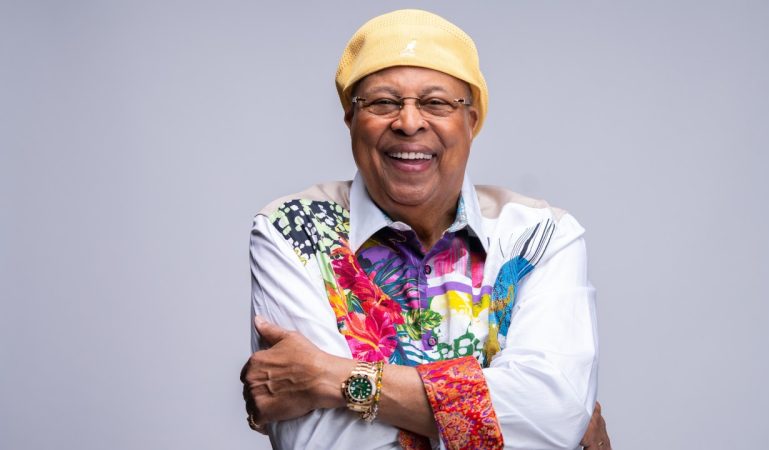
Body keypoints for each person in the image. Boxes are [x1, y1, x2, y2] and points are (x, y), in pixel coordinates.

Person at [241, 9, 611, 450]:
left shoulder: (541, 234)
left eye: (436, 103)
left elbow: (551, 417)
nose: (410, 122)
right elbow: (320, 441)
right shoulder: (292, 231)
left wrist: (332, 375)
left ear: (471, 121)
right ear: (350, 121)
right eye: (383, 102)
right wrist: (511, 416)